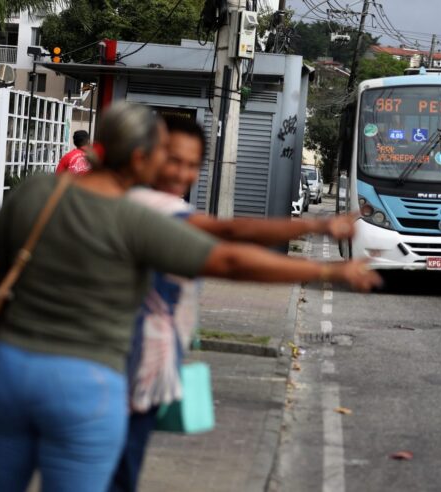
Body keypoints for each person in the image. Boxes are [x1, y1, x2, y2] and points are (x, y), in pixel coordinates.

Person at [0, 102, 380, 492]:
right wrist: (330, 268)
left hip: (7, 370)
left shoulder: (40, 191)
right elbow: (231, 258)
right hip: (85, 383)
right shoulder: (139, 219)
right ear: (140, 159)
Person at [109, 116, 358, 491]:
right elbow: (229, 244)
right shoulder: (146, 206)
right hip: (125, 370)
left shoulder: (147, 204)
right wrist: (323, 253)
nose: (181, 172)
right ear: (146, 155)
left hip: (141, 369)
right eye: (172, 159)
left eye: (192, 165)